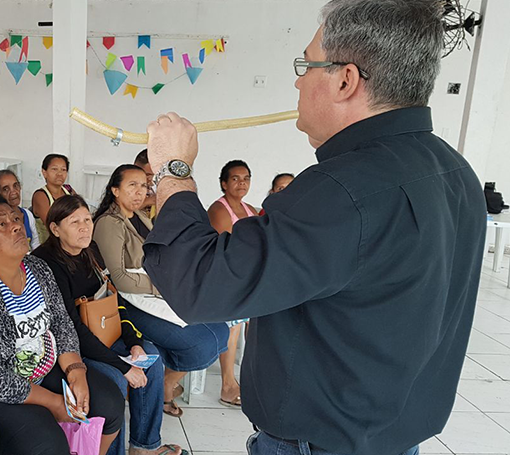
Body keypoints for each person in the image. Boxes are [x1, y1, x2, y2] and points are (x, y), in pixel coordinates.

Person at [142, 1, 485, 454]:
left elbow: (200, 285)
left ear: (346, 80)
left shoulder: (343, 190)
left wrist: (173, 170)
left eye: (306, 65)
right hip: (393, 438)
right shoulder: (455, 171)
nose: (299, 80)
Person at [0, 195, 124, 455]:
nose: (15, 226)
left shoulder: (38, 268)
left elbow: (60, 322)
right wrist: (54, 403)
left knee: (109, 402)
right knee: (48, 442)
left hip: (40, 369)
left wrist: (76, 370)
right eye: (1, 224)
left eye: (15, 218)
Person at [33, 195, 186, 455]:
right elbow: (70, 328)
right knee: (113, 379)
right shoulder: (47, 263)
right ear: (55, 229)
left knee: (152, 360)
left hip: (106, 331)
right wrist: (122, 365)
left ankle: (143, 447)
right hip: (74, 345)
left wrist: (134, 343)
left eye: (87, 220)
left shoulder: (91, 250)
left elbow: (114, 299)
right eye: (74, 222)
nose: (84, 227)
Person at [92, 165, 229, 419]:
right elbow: (120, 279)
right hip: (130, 302)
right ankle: (166, 383)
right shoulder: (109, 223)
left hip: (156, 292)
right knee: (202, 341)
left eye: (143, 186)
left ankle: (167, 380)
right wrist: (160, 285)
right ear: (115, 190)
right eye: (132, 185)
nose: (139, 192)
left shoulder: (141, 217)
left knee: (221, 329)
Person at [205, 159, 258, 408]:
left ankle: (251, 378)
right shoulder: (218, 209)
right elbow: (223, 251)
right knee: (233, 326)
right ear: (224, 183)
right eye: (235, 178)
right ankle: (228, 385)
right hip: (225, 279)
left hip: (246, 277)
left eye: (246, 178)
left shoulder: (251, 210)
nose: (241, 183)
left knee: (259, 321)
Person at [31, 154, 77, 242]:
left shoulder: (69, 190)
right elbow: (52, 226)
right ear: (44, 173)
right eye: (54, 169)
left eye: (63, 170)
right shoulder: (41, 195)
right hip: (51, 245)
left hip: (70, 240)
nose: (59, 173)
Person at [0, 169, 40, 251]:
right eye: (5, 189)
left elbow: (35, 244)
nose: (13, 192)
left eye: (15, 186)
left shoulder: (27, 215)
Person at [133, 149, 157, 220]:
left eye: (154, 175)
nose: (152, 179)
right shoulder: (124, 187)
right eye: (147, 175)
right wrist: (148, 201)